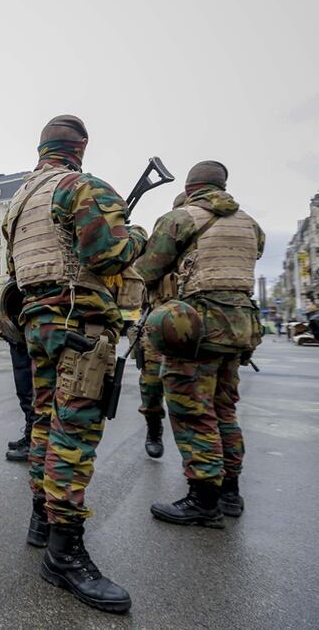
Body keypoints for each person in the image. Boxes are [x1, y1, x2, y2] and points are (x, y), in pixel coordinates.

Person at [1, 115, 147, 613]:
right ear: (80, 149)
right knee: (74, 434)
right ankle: (65, 553)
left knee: (44, 421)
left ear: (42, 148)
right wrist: (137, 236)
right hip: (78, 324)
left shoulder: (20, 202)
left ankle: (42, 520)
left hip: (37, 323)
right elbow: (107, 255)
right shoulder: (80, 186)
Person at [135, 161, 264, 526]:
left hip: (196, 330)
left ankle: (202, 498)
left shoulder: (181, 218)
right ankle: (230, 492)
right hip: (239, 330)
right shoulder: (250, 224)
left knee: (194, 412)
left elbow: (146, 269)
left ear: (190, 188)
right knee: (224, 410)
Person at [136, 191, 190, 459]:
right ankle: (153, 428)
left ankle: (197, 454)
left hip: (193, 323)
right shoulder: (165, 237)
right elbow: (144, 271)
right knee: (151, 382)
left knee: (188, 390)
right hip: (160, 319)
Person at [3, 339, 35, 461]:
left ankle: (32, 441)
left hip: (27, 337)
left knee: (29, 392)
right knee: (24, 390)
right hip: (19, 338)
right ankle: (30, 436)